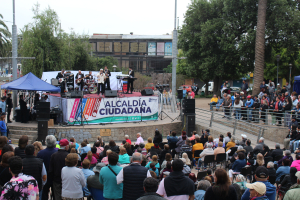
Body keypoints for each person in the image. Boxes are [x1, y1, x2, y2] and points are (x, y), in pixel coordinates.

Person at [36, 135, 58, 200]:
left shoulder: (40, 153)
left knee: (44, 195)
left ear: (46, 142)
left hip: (44, 177)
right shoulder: (57, 152)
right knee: (55, 195)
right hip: (54, 177)